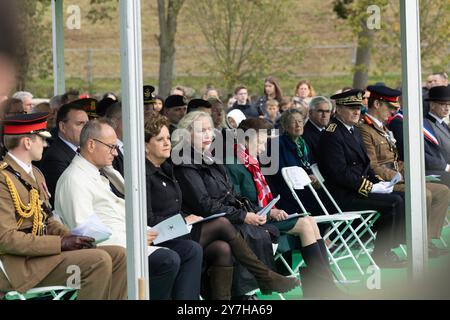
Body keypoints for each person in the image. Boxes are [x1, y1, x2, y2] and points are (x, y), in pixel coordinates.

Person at [55, 118, 199, 300]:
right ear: (91, 145)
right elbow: (84, 234)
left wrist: (148, 232)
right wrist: (136, 238)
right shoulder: (74, 180)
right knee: (167, 260)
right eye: (111, 147)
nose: (115, 153)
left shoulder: (104, 172)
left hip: (133, 239)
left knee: (190, 250)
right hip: (115, 249)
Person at [171, 111, 299, 298]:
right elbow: (203, 205)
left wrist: (255, 211)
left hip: (219, 222)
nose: (208, 135)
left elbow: (231, 195)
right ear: (187, 134)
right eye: (201, 131)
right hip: (194, 225)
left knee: (226, 247)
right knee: (239, 228)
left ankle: (239, 296)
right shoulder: (184, 162)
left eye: (209, 130)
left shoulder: (211, 158)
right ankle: (264, 277)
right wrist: (243, 216)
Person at [0, 113, 127, 299]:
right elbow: (6, 238)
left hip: (43, 257)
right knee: (98, 261)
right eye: (41, 139)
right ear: (27, 143)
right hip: (20, 267)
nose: (45, 144)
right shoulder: (4, 180)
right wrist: (60, 243)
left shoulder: (35, 173)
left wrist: (72, 237)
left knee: (120, 255)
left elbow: (47, 219)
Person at [225, 118, 344, 298]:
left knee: (310, 221)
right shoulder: (232, 163)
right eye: (261, 142)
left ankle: (324, 284)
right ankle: (322, 287)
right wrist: (268, 210)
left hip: (263, 215)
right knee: (305, 225)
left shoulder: (248, 160)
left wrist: (270, 209)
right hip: (249, 222)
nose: (264, 149)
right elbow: (235, 201)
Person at [317, 89, 406, 268]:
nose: (357, 111)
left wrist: (380, 182)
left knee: (402, 198)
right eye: (351, 108)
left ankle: (385, 247)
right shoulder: (332, 134)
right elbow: (339, 173)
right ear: (339, 109)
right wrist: (370, 187)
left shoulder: (353, 130)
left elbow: (365, 164)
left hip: (356, 188)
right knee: (395, 201)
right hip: (343, 194)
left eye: (358, 107)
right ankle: (381, 253)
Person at [359, 85, 450, 257]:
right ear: (377, 104)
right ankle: (416, 243)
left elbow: (396, 160)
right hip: (384, 182)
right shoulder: (364, 129)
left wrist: (412, 172)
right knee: (425, 194)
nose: (393, 112)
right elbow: (373, 166)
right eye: (390, 107)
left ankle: (426, 241)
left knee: (442, 191)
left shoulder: (382, 127)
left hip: (397, 178)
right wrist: (398, 176)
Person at [40, 103, 89, 206]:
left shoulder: (83, 150)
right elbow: (70, 196)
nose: (86, 129)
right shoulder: (54, 158)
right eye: (80, 124)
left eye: (87, 124)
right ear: (62, 127)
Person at [423, 85, 450, 188]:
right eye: (443, 104)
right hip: (435, 170)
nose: (447, 108)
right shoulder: (425, 125)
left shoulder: (444, 125)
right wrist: (446, 167)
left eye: (449, 104)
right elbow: (424, 155)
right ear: (433, 105)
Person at [303, 96, 333, 162]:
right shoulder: (305, 135)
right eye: (320, 111)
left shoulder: (330, 130)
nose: (324, 115)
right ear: (310, 113)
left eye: (327, 111)